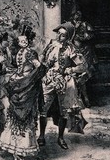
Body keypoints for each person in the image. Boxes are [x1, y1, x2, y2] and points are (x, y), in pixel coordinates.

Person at [0, 26, 45, 160]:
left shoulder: (31, 53)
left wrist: (30, 78)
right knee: (15, 116)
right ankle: (15, 149)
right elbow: (17, 68)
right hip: (18, 84)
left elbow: (38, 67)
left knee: (26, 116)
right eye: (20, 41)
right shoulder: (18, 53)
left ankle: (21, 149)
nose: (23, 43)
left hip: (27, 86)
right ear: (18, 42)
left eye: (25, 41)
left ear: (29, 41)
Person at [37, 22, 88, 150]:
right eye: (58, 34)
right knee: (43, 108)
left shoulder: (71, 49)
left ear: (69, 37)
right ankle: (41, 136)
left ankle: (60, 138)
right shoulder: (50, 46)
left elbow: (82, 66)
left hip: (64, 82)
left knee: (63, 111)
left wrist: (69, 70)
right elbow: (42, 60)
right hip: (49, 80)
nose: (59, 37)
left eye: (63, 35)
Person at [69, 10, 97, 106]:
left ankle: (86, 99)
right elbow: (68, 39)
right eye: (76, 16)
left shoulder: (85, 24)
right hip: (72, 52)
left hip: (85, 51)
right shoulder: (69, 26)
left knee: (85, 74)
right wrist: (75, 30)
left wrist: (83, 37)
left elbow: (90, 36)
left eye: (79, 15)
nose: (78, 17)